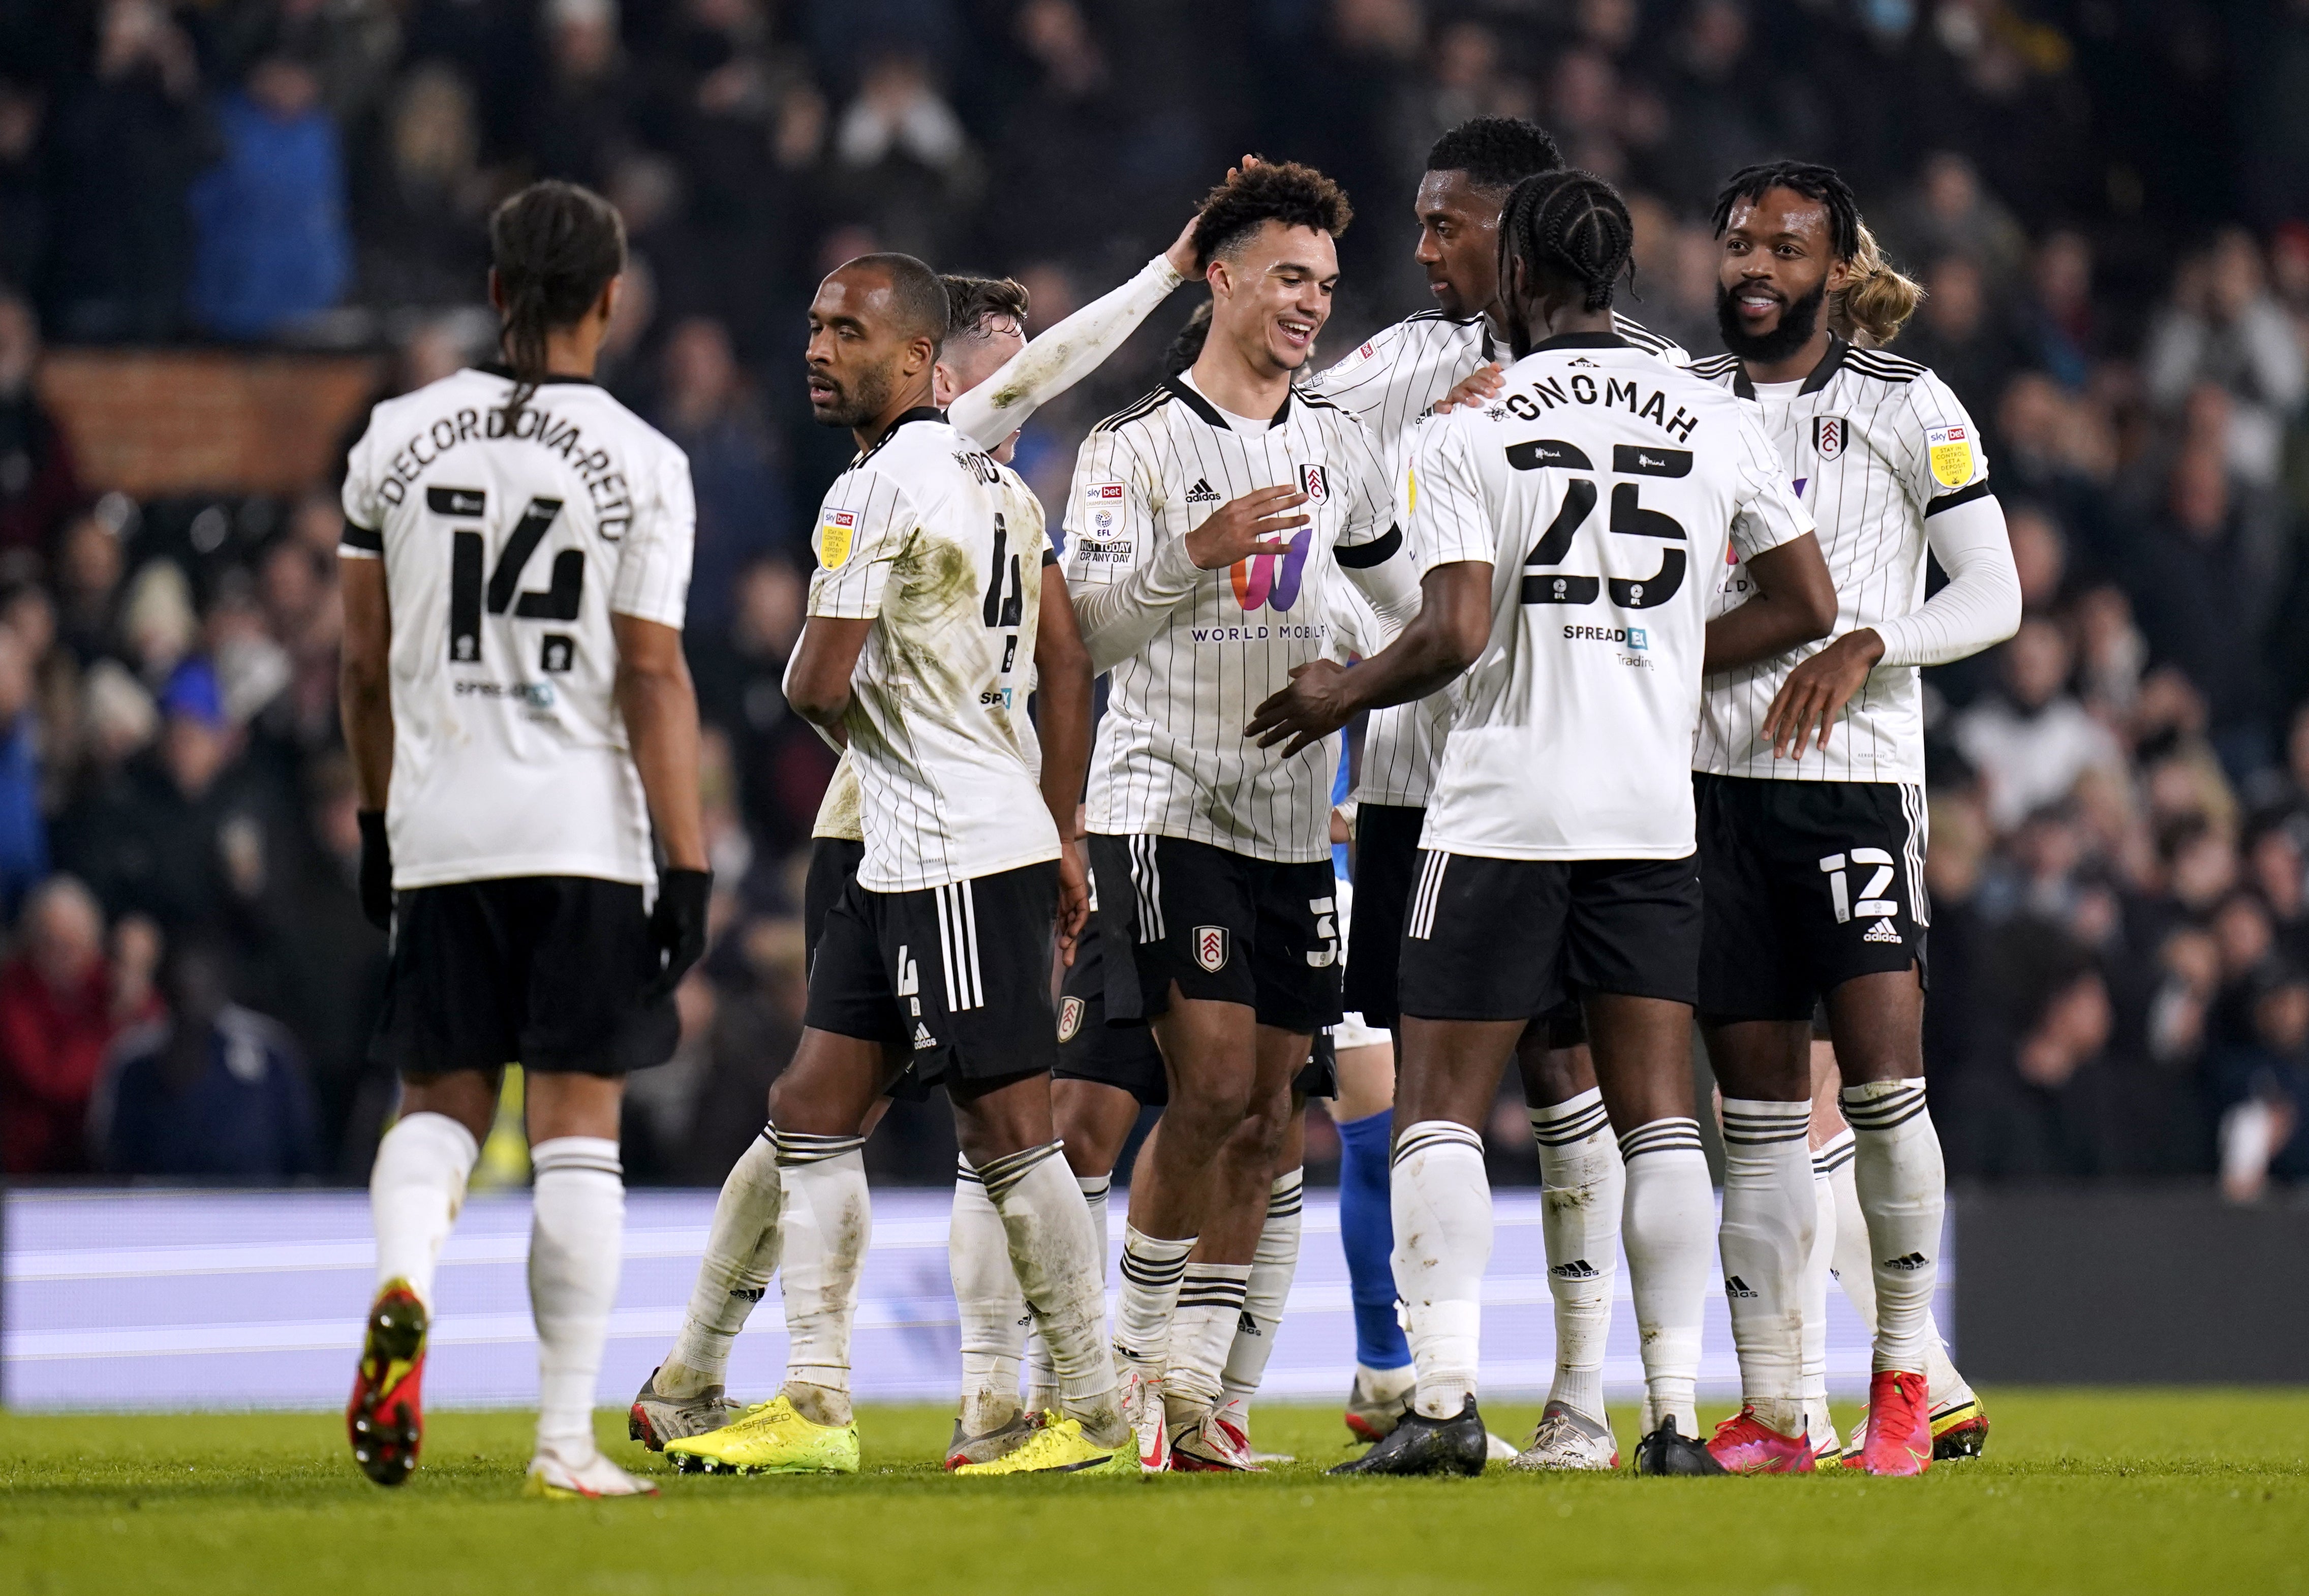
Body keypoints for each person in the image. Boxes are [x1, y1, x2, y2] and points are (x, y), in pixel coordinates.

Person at [1249, 167, 1833, 1477]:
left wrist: (1344, 685)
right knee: (1659, 1118)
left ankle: (1445, 1398)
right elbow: (1806, 600)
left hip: (1504, 803)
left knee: (1441, 1111)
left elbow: (1453, 630)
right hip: (1646, 810)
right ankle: (1674, 1416)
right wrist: (1670, 658)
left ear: (1520, 274)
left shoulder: (1473, 421)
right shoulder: (1707, 410)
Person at [625, 193, 1222, 1474]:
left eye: (845, 330)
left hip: (936, 829)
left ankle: (1056, 1404)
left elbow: (822, 684)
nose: (816, 348)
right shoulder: (989, 484)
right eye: (814, 325)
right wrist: (1059, 825)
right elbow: (1068, 660)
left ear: (919, 362)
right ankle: (753, 1385)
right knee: (809, 1106)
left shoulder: (922, 472)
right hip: (913, 829)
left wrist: (1168, 271)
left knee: (998, 1128)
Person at [1300, 112, 1691, 1467]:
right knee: (1418, 1087)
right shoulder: (1387, 373)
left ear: (1519, 232)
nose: (1418, 250)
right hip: (1421, 779)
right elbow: (1321, 496)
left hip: (1553, 775)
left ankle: (1578, 1400)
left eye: (1443, 224)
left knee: (1565, 1074)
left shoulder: (1642, 376)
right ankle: (1419, 1381)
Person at [337, 180, 709, 1500]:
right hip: (581, 831)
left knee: (437, 1100)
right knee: (574, 1130)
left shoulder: (393, 438)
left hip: (442, 819)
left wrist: (380, 821)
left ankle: (402, 1279)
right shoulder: (648, 464)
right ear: (610, 301)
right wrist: (691, 860)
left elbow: (364, 663)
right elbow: (652, 675)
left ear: (495, 293)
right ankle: (560, 1438)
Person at [1061, 160, 1424, 1472]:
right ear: (1218, 279)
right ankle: (1118, 1374)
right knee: (1208, 1082)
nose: (1309, 305)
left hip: (1290, 819)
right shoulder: (1130, 445)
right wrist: (1190, 554)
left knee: (1271, 1114)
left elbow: (1397, 607)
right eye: (1286, 277)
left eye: (1324, 284)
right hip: (1167, 799)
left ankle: (1197, 1395)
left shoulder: (1337, 443)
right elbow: (1088, 632)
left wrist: (1372, 676)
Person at [1686, 161, 2020, 1474]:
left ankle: (1898, 1374)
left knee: (1881, 1088)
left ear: (1832, 270)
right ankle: (1776, 1409)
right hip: (1706, 789)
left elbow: (1989, 594)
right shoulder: (1678, 402)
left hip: (1850, 787)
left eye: (1784, 248)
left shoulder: (1904, 401)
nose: (1755, 267)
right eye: (1736, 243)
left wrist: (1869, 642)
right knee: (1757, 1115)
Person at [93, 933, 320, 1178]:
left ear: (221, 982)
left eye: (202, 979)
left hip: (257, 1205)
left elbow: (302, 1145)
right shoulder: (134, 1062)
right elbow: (111, 1153)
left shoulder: (269, 1051)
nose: (192, 989)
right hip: (161, 1207)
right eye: (182, 984)